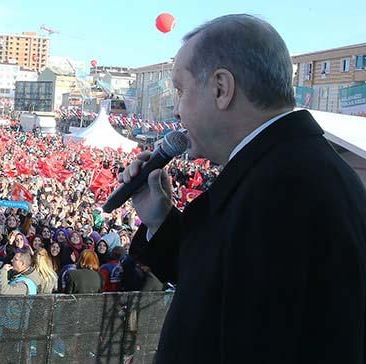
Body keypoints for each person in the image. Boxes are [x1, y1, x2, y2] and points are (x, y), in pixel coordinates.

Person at [123, 14, 366, 363]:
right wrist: (159, 220)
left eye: (180, 90)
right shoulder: (283, 169)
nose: (176, 111)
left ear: (221, 88)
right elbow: (219, 283)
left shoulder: (284, 190)